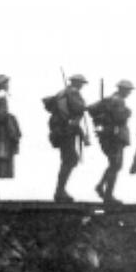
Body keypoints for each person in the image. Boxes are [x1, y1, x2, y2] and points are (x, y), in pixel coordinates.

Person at [88, 79, 135, 205]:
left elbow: (90, 109)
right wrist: (127, 112)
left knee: (114, 164)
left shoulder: (108, 100)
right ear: (123, 90)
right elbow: (120, 117)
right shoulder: (118, 100)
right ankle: (108, 195)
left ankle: (101, 187)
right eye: (128, 90)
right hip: (115, 135)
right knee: (116, 165)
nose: (129, 93)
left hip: (107, 135)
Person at [47, 73, 89, 202]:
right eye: (81, 83)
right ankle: (60, 192)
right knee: (70, 160)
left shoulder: (62, 93)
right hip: (67, 130)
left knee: (68, 159)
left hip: (61, 129)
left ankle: (60, 190)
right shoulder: (73, 93)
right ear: (76, 82)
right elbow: (78, 108)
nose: (82, 86)